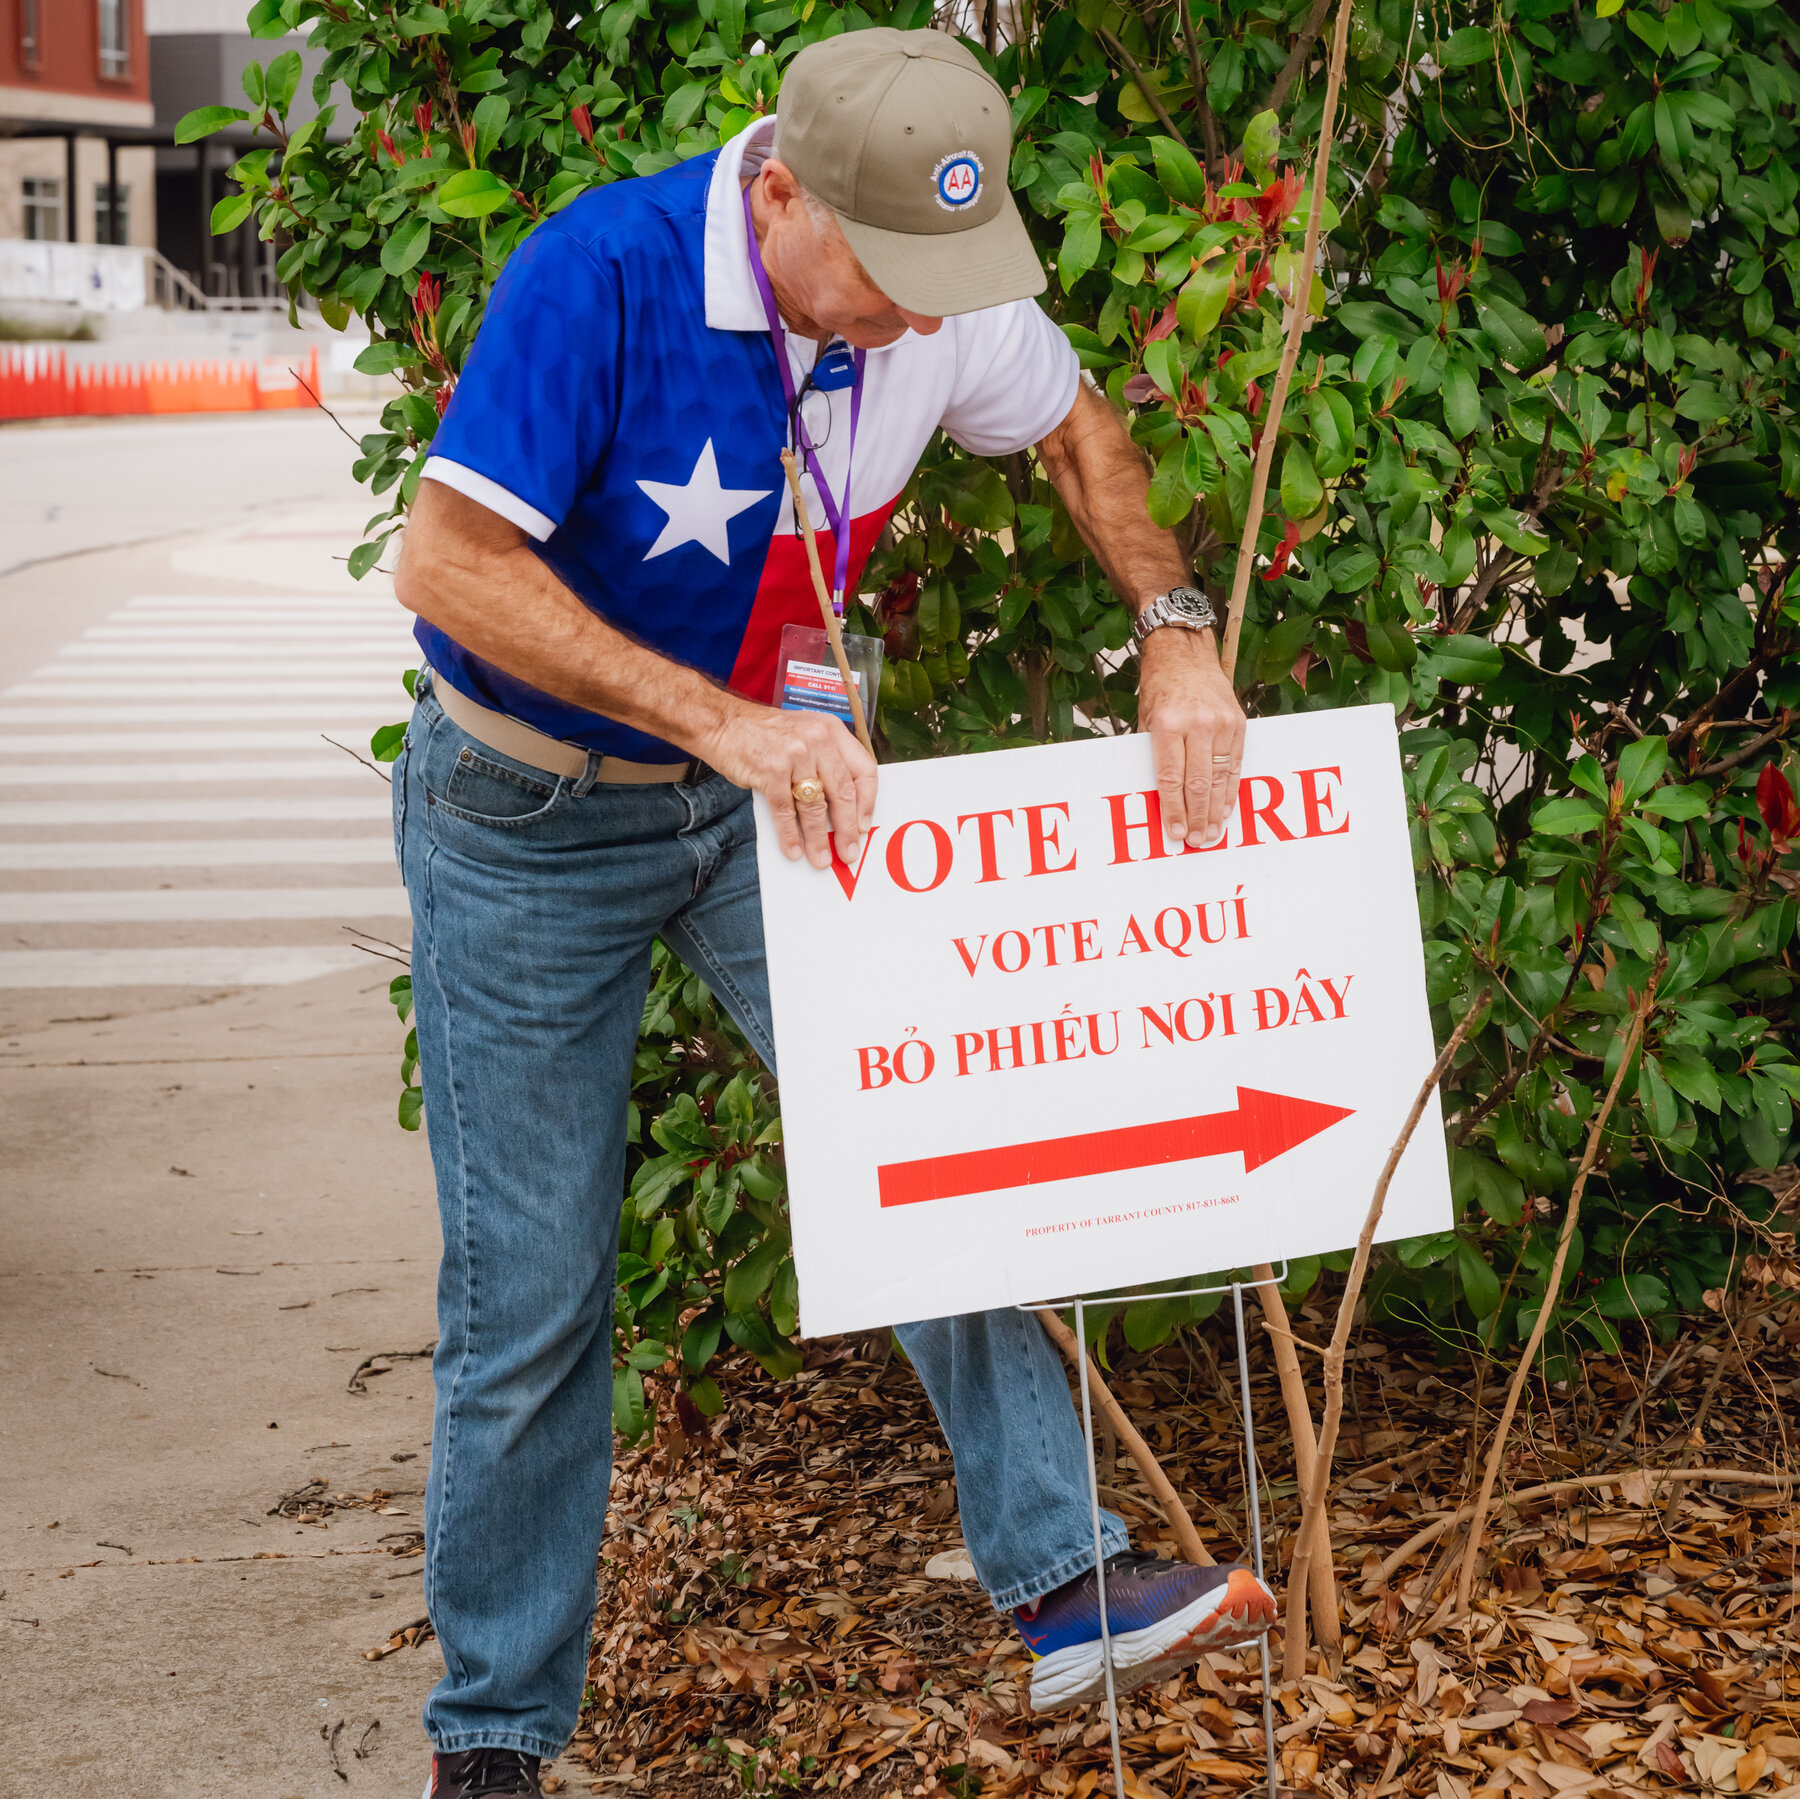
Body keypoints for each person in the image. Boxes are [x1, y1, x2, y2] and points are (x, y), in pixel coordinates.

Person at [392, 27, 1271, 1799]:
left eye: (944, 284)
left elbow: (1085, 433)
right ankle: (491, 1739)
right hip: (525, 817)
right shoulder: (607, 270)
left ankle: (1067, 1582)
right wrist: (723, 721)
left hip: (767, 795)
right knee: (538, 1300)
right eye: (882, 277)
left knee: (940, 1143)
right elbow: (447, 564)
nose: (914, 321)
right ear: (777, 188)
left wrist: (1174, 628)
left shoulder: (929, 289)